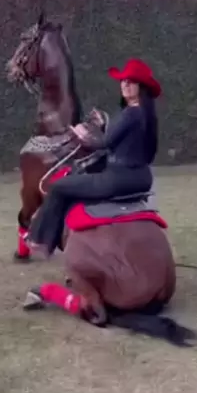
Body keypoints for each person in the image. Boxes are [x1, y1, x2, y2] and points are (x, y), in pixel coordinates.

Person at [28, 58, 161, 256]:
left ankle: (40, 241)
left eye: (131, 82)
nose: (125, 84)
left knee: (59, 187)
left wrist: (82, 137)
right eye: (123, 80)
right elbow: (120, 141)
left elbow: (104, 144)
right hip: (141, 179)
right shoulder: (147, 115)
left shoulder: (131, 113)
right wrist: (104, 127)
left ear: (141, 87)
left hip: (118, 179)